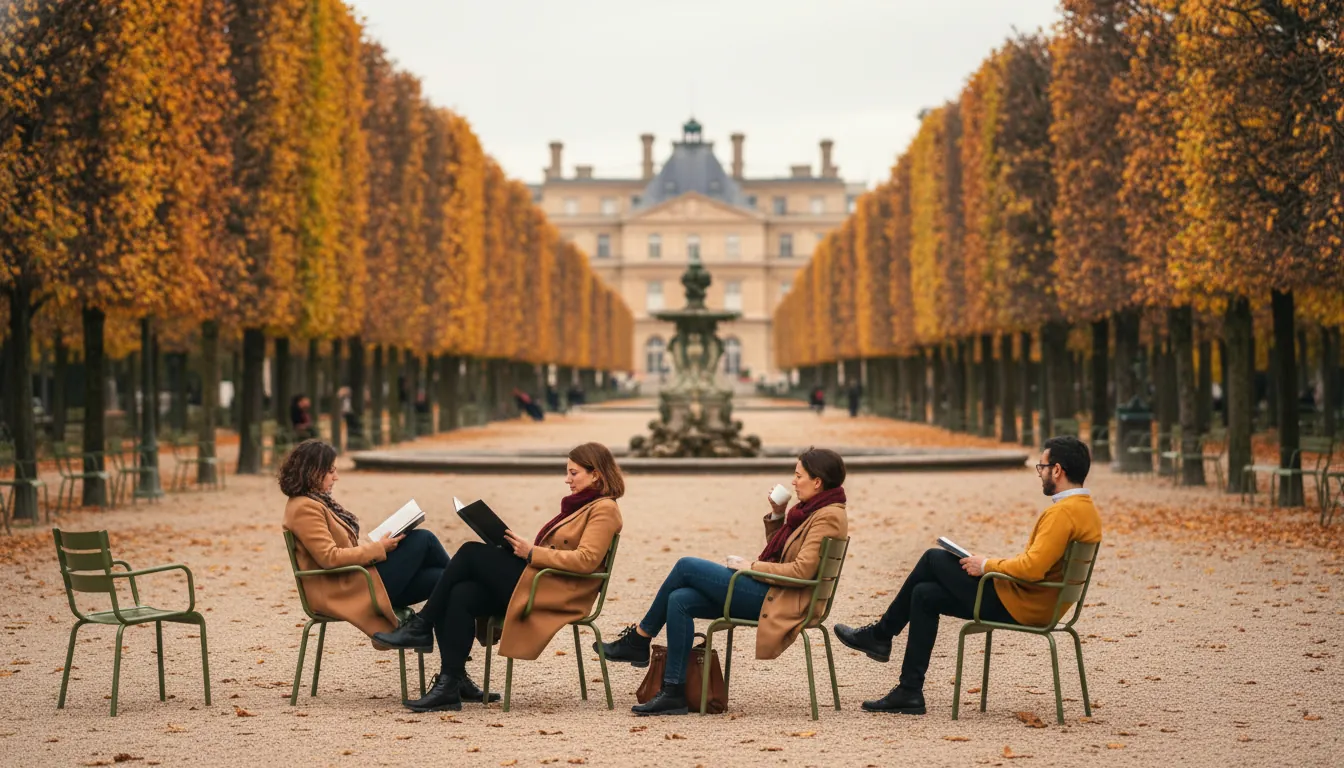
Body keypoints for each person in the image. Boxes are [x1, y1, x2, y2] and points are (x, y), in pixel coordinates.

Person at [834, 435, 1103, 715]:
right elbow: (1038, 565)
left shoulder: (1062, 514)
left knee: (933, 558)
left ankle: (881, 634)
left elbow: (1032, 569)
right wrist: (987, 563)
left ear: (1057, 470)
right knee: (924, 594)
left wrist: (986, 565)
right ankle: (909, 691)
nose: (1041, 474)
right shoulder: (1086, 511)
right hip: (1040, 603)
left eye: (1042, 467)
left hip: (1024, 605)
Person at [373, 442, 624, 712]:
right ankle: (451, 683)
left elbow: (586, 560)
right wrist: (520, 551)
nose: (567, 479)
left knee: (470, 553)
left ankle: (422, 625)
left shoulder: (604, 509)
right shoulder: (579, 506)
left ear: (596, 474)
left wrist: (531, 553)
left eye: (573, 473)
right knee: (461, 594)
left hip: (557, 590)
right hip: (543, 580)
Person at [598, 448, 850, 716]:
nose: (793, 482)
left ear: (818, 481)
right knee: (679, 599)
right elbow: (785, 554)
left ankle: (639, 640)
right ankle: (673, 692)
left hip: (785, 601)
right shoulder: (811, 510)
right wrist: (778, 515)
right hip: (776, 591)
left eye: (798, 476)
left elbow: (801, 572)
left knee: (686, 566)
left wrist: (749, 567)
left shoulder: (828, 515)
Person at [279, 440, 497, 701]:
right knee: (423, 539)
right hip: (346, 590)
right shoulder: (304, 507)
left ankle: (454, 675)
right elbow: (329, 558)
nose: (336, 476)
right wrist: (377, 548)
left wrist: (380, 545)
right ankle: (482, 613)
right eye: (330, 471)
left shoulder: (317, 502)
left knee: (444, 582)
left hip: (355, 581)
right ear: (312, 471)